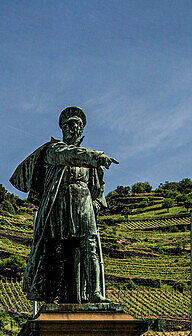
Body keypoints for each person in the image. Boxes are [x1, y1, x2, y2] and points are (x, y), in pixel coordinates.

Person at [10, 106, 119, 304]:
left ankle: (94, 292)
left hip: (83, 204)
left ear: (81, 129)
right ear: (61, 129)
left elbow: (98, 190)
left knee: (90, 247)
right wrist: (97, 156)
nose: (71, 129)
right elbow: (69, 154)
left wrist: (95, 205)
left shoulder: (91, 164)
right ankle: (54, 295)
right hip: (59, 206)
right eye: (67, 125)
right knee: (57, 250)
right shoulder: (54, 150)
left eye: (75, 125)